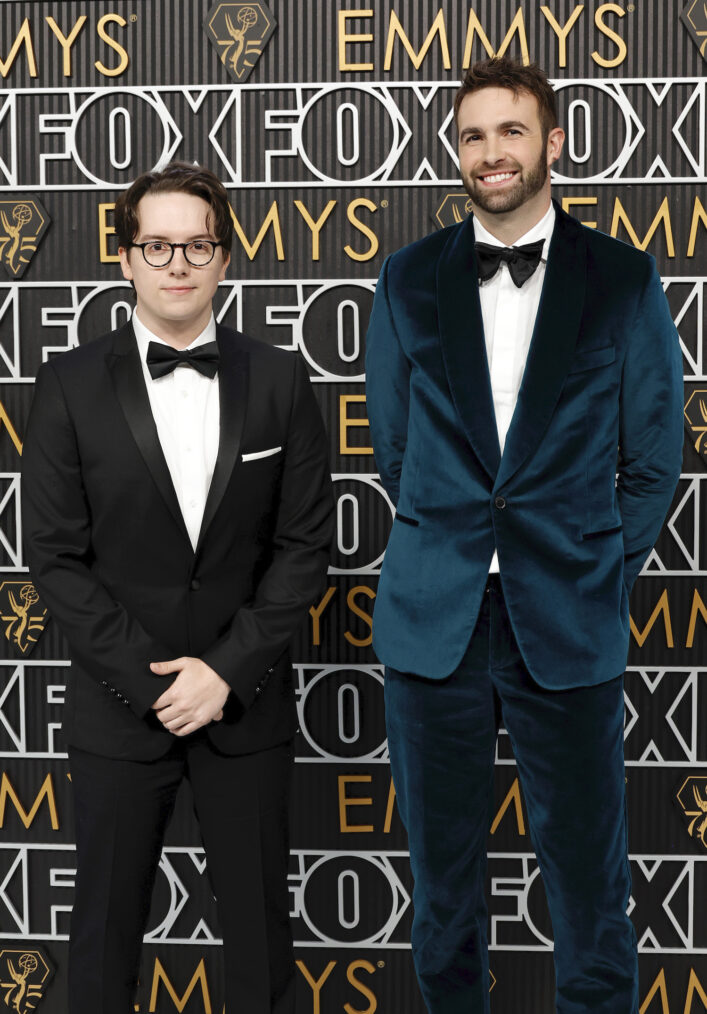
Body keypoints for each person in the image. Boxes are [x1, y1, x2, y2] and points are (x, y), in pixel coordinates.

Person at [365, 58, 683, 1014]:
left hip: (568, 617)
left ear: (550, 143)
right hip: (434, 623)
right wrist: (457, 542)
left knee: (591, 888)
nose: (490, 153)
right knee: (443, 895)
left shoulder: (622, 278)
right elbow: (395, 448)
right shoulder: (408, 278)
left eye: (510, 132)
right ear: (455, 153)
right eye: (472, 136)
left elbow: (653, 459)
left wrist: (591, 567)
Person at [21, 161, 334, 1014]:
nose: (178, 263)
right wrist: (158, 683)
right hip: (120, 715)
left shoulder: (280, 380)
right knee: (102, 947)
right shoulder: (68, 385)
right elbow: (53, 556)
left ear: (225, 258)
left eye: (198, 244)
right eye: (156, 244)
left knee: (262, 952)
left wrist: (225, 672)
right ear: (124, 257)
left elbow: (305, 549)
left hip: (246, 709)